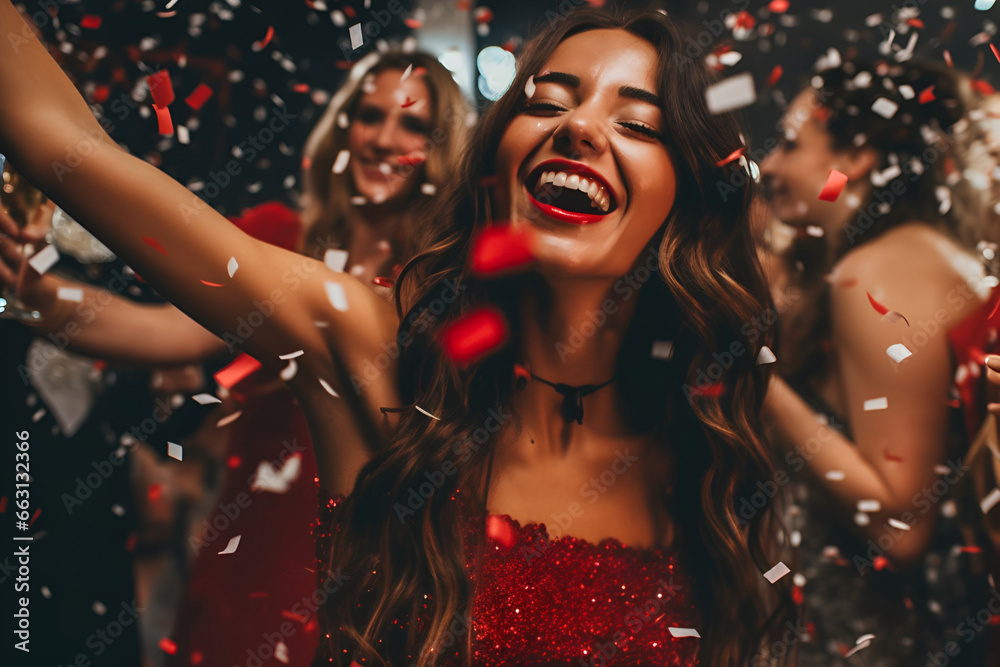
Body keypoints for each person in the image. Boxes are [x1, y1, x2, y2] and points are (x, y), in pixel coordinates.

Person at [0, 3, 794, 665]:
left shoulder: (707, 451)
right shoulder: (376, 351)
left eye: (636, 122)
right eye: (547, 102)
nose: (577, 128)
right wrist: (36, 294)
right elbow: (57, 142)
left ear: (688, 201)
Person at [0, 45, 468, 665]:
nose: (384, 138)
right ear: (344, 126)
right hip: (258, 536)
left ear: (444, 147)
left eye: (412, 123)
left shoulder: (440, 296)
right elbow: (157, 333)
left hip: (376, 559)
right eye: (368, 114)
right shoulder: (277, 240)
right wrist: (28, 290)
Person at [759, 60, 994, 664]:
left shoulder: (874, 273)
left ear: (856, 156)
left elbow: (901, 524)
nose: (773, 167)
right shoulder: (912, 250)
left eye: (790, 143)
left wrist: (755, 381)